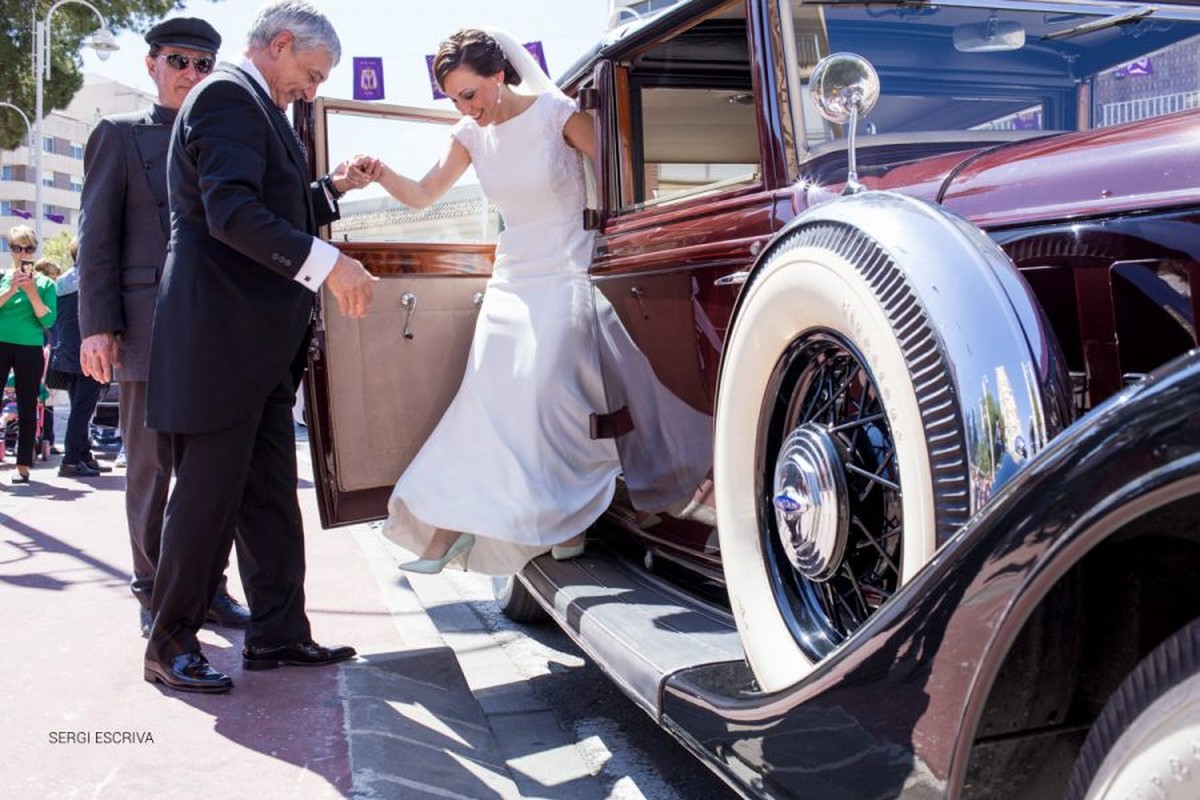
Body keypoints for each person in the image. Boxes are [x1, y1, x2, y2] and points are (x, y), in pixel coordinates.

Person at [136, 0, 376, 694]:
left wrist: (327, 192)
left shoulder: (253, 105)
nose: (316, 87)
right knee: (206, 500)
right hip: (221, 340)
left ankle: (278, 634)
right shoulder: (227, 97)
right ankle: (170, 640)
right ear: (278, 45)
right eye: (312, 70)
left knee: (270, 497)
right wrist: (330, 264)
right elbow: (233, 214)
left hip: (256, 349)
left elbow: (271, 203)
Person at [370, 28, 621, 576]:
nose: (466, 108)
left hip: (566, 270)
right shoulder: (469, 135)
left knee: (545, 397)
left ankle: (568, 518)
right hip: (511, 279)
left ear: (500, 76)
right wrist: (382, 173)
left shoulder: (557, 113)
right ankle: (447, 529)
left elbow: (623, 164)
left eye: (471, 94)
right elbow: (422, 194)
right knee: (485, 399)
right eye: (456, 99)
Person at [76, 19, 251, 638]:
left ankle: (209, 589)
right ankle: (154, 588)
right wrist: (97, 326)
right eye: (180, 60)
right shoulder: (119, 136)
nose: (192, 74)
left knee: (214, 470)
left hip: (216, 329)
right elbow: (95, 239)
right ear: (152, 64)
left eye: (205, 65)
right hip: (146, 329)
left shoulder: (225, 137)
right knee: (151, 469)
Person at [0, 225, 57, 484]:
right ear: (10, 250)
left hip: (30, 348)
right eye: (16, 247)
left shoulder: (45, 283)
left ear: (34, 251)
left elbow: (48, 320)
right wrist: (11, 289)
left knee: (26, 406)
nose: (22, 253)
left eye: (28, 248)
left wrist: (32, 291)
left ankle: (22, 465)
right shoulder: (2, 276)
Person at [48, 253, 111, 479]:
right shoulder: (89, 280)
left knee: (79, 407)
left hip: (67, 353)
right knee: (82, 410)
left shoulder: (63, 281)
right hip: (87, 353)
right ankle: (72, 460)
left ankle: (83, 455)